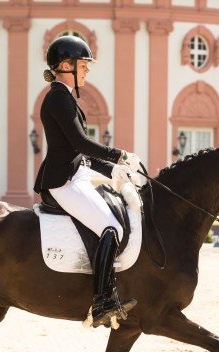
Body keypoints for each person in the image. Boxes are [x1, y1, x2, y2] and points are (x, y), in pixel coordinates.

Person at [34, 35, 140, 328]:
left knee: (114, 220)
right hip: (62, 181)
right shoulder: (58, 97)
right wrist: (119, 155)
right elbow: (80, 143)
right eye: (83, 65)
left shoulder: (65, 96)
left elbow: (77, 153)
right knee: (112, 226)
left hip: (73, 174)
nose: (87, 70)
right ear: (66, 65)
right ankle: (102, 300)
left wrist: (112, 170)